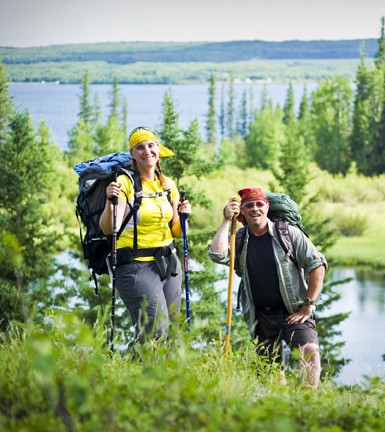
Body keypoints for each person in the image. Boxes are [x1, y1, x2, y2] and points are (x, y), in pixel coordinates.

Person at [209, 187, 327, 388]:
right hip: (261, 315)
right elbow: (217, 254)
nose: (255, 209)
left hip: (294, 310)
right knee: (270, 370)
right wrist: (226, 220)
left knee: (310, 351)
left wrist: (308, 305)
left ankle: (308, 402)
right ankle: (278, 407)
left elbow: (317, 264)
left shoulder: (288, 233)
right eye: (249, 205)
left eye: (259, 204)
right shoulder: (239, 239)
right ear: (242, 213)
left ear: (267, 207)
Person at [100, 126, 191, 342]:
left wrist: (185, 216)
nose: (147, 151)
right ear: (132, 154)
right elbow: (108, 229)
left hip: (169, 262)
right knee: (155, 330)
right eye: (139, 147)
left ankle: (164, 376)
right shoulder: (126, 183)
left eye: (151, 145)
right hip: (135, 265)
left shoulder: (168, 185)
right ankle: (135, 372)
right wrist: (109, 200)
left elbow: (176, 232)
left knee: (174, 330)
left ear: (158, 149)